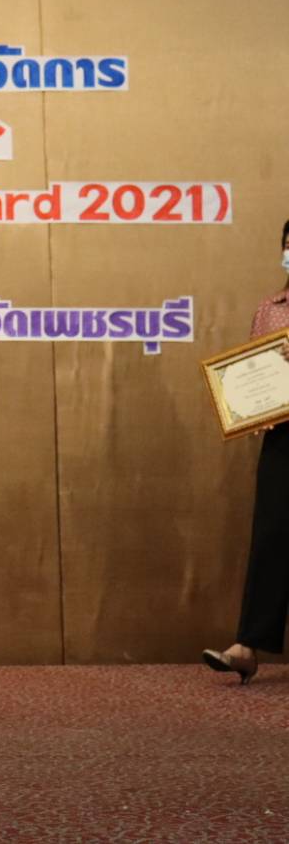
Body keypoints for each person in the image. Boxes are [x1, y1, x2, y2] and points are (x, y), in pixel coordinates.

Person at [204, 220, 289, 684]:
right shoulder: (269, 309)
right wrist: (254, 409)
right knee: (272, 536)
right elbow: (253, 371)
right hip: (283, 437)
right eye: (288, 245)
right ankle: (246, 646)